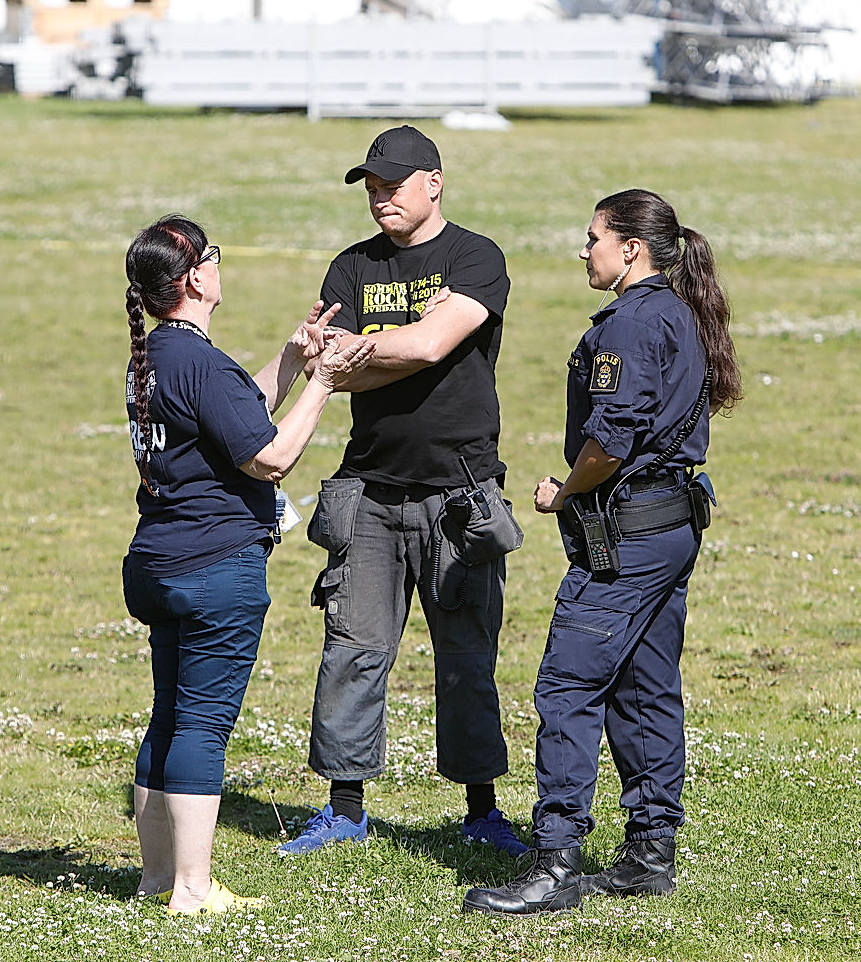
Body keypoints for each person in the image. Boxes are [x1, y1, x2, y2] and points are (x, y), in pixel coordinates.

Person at [464, 188, 742, 914]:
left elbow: (611, 440)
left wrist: (562, 491)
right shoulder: (675, 311)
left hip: (627, 539)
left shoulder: (629, 324)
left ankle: (553, 861)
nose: (582, 250)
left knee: (568, 685)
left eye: (592, 238)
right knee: (645, 686)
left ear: (631, 249)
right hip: (671, 528)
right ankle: (650, 854)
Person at [277, 125, 527, 857]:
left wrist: (381, 347)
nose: (381, 198)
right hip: (371, 492)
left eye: (393, 184)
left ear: (435, 182)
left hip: (461, 495)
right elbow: (338, 361)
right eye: (372, 187)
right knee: (353, 650)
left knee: (467, 657)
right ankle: (345, 808)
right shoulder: (352, 266)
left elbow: (426, 345)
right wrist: (404, 341)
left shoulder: (475, 256)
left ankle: (481, 809)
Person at [122, 215, 373, 913]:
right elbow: (268, 456)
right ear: (196, 277)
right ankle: (193, 890)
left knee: (169, 719)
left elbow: (237, 420)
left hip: (160, 562)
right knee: (201, 725)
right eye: (214, 257)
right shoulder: (196, 360)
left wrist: (292, 362)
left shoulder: (160, 357)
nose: (219, 266)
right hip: (213, 567)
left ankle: (155, 878)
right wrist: (323, 382)